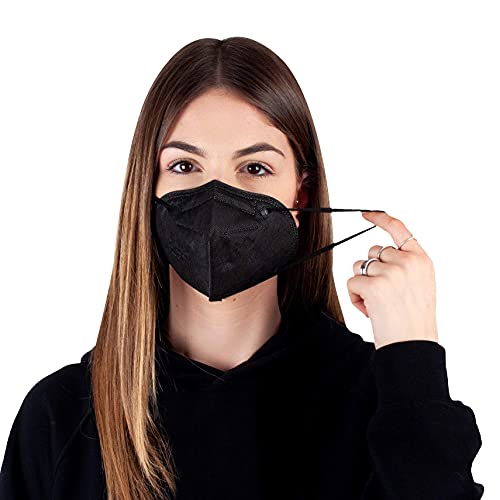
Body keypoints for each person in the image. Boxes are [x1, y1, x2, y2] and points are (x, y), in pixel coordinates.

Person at [0, 36, 484, 500]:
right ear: (148, 187)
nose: (217, 197)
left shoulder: (382, 404)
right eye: (185, 166)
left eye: (254, 168)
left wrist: (413, 348)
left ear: (301, 195)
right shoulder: (62, 417)